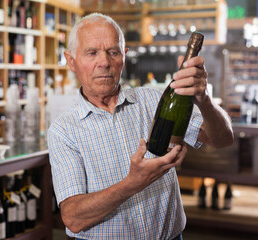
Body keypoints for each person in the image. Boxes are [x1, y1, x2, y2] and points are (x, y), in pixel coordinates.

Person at [47, 13, 233, 240]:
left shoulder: (153, 101)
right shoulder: (63, 130)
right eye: (92, 52)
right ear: (71, 60)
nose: (104, 62)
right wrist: (132, 184)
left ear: (124, 57)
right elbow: (73, 218)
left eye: (113, 52)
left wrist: (204, 100)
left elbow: (222, 138)